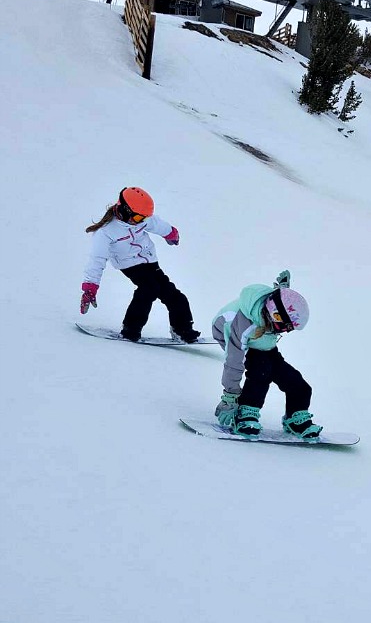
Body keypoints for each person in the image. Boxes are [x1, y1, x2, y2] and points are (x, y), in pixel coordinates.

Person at [81, 186, 200, 343]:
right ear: (124, 210)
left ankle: (182, 330)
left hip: (149, 260)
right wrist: (90, 287)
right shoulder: (106, 232)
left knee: (174, 295)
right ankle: (131, 329)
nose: (140, 222)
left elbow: (157, 224)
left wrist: (171, 233)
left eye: (143, 219)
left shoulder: (141, 219)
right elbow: (97, 260)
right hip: (129, 265)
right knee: (149, 289)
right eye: (138, 219)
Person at [212, 271, 323, 440]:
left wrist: (283, 290)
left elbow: (279, 301)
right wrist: (230, 396)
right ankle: (245, 414)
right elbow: (233, 362)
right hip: (234, 337)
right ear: (275, 316)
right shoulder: (244, 324)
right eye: (284, 327)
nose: (285, 332)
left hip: (263, 344)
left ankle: (295, 419)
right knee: (261, 372)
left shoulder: (272, 309)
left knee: (299, 385)